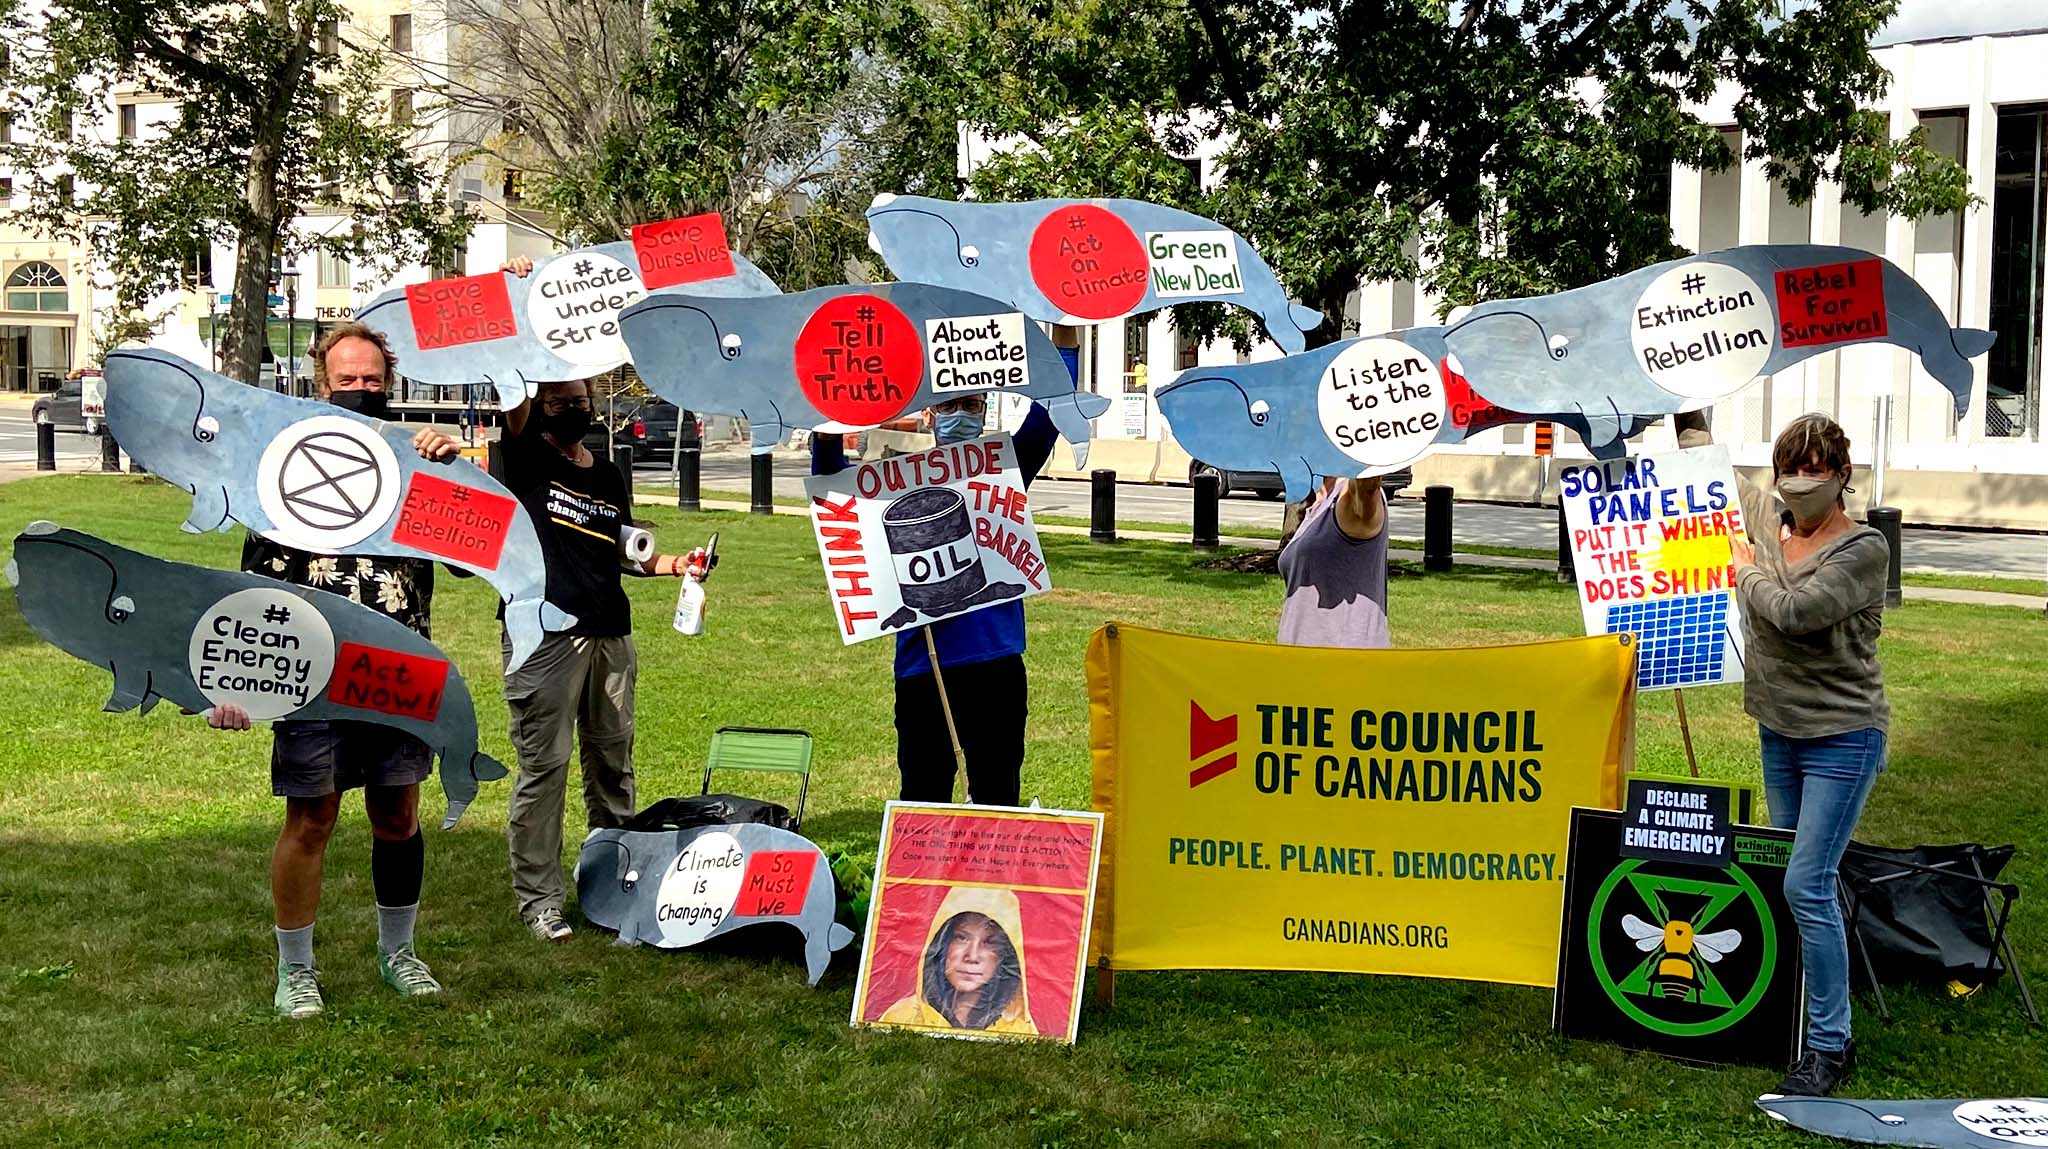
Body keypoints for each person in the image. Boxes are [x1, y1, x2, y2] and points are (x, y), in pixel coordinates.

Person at [206, 320, 471, 1019]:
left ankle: (399, 951)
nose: (360, 391)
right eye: (347, 380)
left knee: (398, 811)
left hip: (399, 664)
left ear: (390, 385)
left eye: (372, 381)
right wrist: (235, 685)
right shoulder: (284, 470)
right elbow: (253, 592)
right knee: (312, 817)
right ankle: (296, 969)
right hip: (312, 669)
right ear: (322, 384)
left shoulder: (417, 462)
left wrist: (453, 470)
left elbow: (469, 554)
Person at [499, 379, 711, 941]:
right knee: (545, 770)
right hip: (543, 638)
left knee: (613, 763)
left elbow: (625, 550)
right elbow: (511, 389)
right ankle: (540, 900)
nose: (571, 410)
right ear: (539, 405)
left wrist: (674, 565)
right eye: (559, 401)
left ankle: (616, 881)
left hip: (610, 634)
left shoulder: (608, 472)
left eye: (579, 401)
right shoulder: (524, 457)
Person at [1728, 412, 1890, 1097]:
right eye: (1790, 468)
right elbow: (1700, 473)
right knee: (1795, 877)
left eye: (1815, 469)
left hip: (1843, 734)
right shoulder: (1772, 528)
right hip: (1778, 728)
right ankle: (1792, 1012)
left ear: (1842, 475)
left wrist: (1745, 575)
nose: (1800, 481)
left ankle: (1830, 1044)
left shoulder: (1864, 548)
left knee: (1806, 882)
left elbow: (1796, 612)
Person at [894, 393, 1055, 807]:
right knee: (922, 798)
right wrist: (829, 426)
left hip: (994, 666)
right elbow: (833, 492)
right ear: (929, 415)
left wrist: (1066, 330)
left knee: (998, 795)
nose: (960, 417)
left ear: (985, 411)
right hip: (923, 666)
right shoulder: (896, 482)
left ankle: (990, 874)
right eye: (949, 407)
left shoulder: (1005, 469)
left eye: (972, 405)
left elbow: (1050, 413)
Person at [879, 886, 1036, 1034]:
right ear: (942, 942)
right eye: (961, 938)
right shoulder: (901, 1017)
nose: (972, 956)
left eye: (990, 942)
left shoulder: (1019, 1030)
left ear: (1006, 955)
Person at [1276, 475, 1389, 648]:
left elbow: (1366, 490)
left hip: (1345, 662)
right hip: (1303, 661)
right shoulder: (1319, 501)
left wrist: (1360, 466)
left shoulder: (1350, 498)